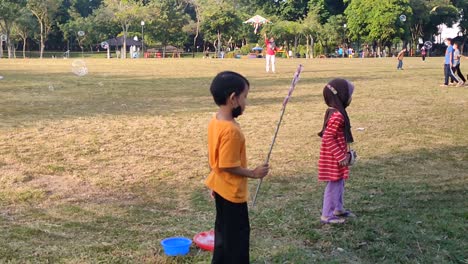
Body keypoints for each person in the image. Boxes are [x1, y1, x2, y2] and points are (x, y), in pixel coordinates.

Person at [206, 71, 270, 263]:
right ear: (233, 99)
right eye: (245, 97)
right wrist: (253, 173)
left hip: (221, 188)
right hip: (232, 193)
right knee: (237, 239)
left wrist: (214, 182)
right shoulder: (231, 131)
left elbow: (215, 158)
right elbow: (226, 165)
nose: (245, 103)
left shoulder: (216, 120)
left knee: (224, 234)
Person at [317, 78, 355, 224]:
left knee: (339, 182)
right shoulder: (338, 116)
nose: (351, 98)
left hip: (335, 155)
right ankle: (327, 215)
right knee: (333, 184)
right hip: (334, 156)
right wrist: (340, 156)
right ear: (342, 97)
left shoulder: (334, 111)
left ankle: (338, 208)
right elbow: (327, 136)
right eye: (349, 95)